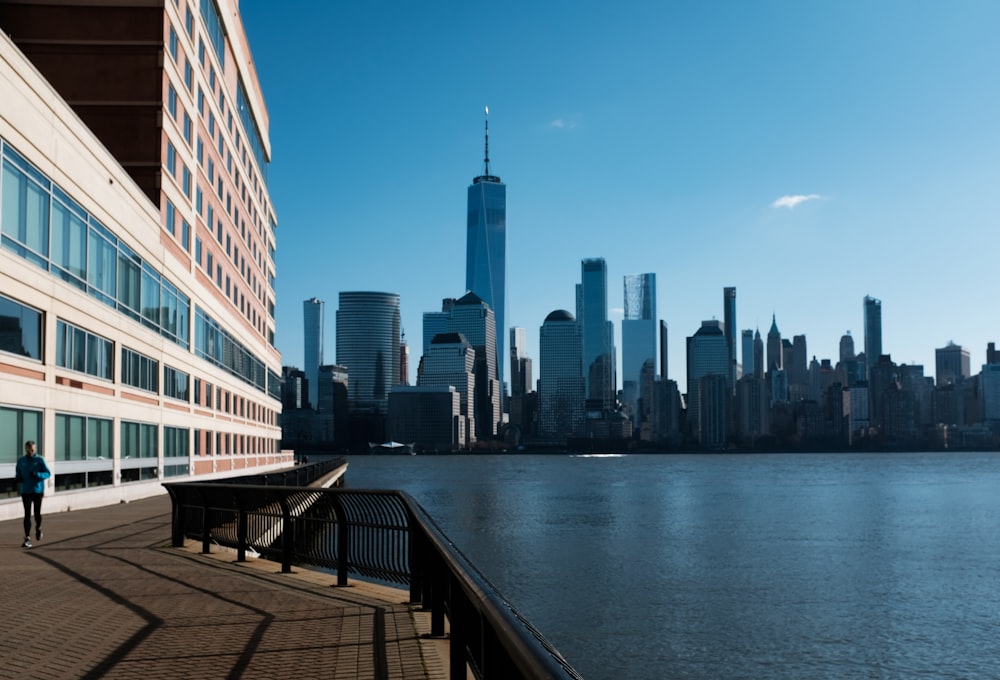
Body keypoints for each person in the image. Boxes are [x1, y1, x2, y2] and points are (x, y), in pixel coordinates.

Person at [15, 440, 51, 548]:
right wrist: (18, 478)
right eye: (27, 449)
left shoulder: (40, 460)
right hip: (25, 491)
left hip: (37, 491)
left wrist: (37, 474)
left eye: (32, 449)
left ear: (34, 449)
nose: (30, 451)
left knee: (36, 513)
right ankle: (27, 538)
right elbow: (17, 472)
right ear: (25, 449)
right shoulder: (21, 461)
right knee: (27, 514)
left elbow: (48, 473)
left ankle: (38, 527)